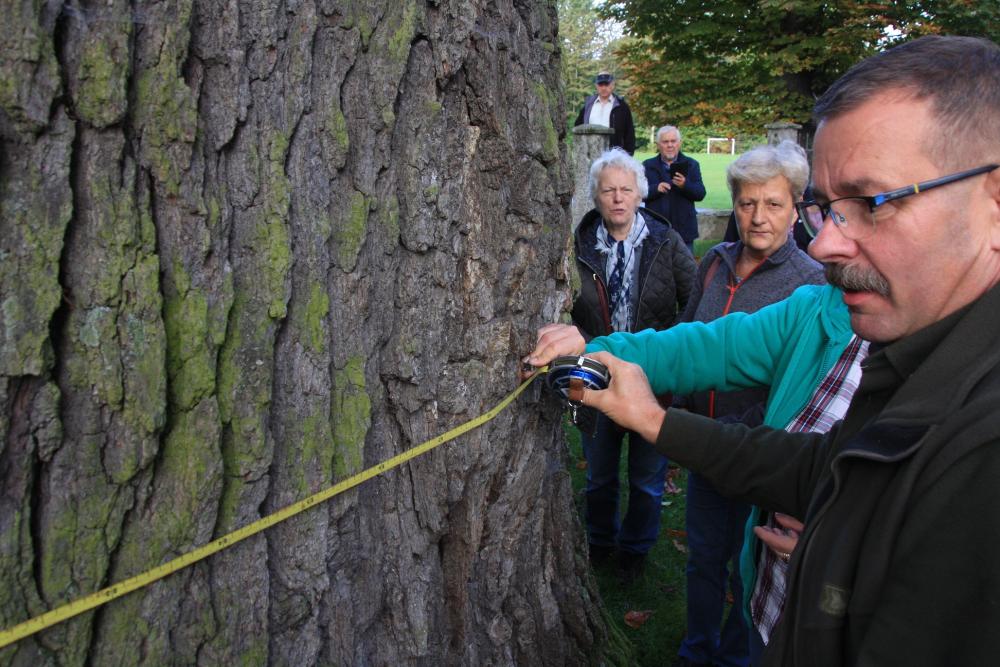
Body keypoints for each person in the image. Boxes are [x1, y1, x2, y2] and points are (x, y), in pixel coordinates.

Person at [530, 35, 1000, 665]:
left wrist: (835, 569)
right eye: (828, 209)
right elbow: (810, 460)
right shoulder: (874, 332)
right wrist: (614, 370)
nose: (828, 244)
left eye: (871, 203)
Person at [670, 141, 823, 667]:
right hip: (702, 449)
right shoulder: (714, 263)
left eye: (774, 204)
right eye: (747, 203)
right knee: (703, 561)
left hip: (760, 458)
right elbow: (686, 340)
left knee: (747, 569)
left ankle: (735, 658)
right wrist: (678, 420)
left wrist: (734, 439)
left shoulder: (809, 282)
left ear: (797, 206)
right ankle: (696, 651)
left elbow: (798, 385)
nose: (758, 217)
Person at [571, 147, 696, 580]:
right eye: (608, 190)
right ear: (596, 196)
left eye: (626, 189)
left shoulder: (666, 241)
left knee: (646, 477)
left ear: (641, 193)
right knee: (601, 475)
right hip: (597, 381)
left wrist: (669, 358)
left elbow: (693, 304)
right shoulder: (579, 246)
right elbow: (565, 311)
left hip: (652, 382)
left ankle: (636, 551)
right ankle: (600, 543)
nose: (618, 198)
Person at [643, 126, 706, 253]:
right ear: (658, 145)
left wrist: (685, 185)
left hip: (684, 231)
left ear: (679, 143)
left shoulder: (691, 164)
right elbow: (637, 194)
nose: (670, 145)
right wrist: (656, 189)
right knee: (655, 271)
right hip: (656, 231)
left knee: (685, 271)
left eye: (673, 141)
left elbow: (700, 193)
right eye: (665, 142)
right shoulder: (647, 166)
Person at [574, 72, 636, 155]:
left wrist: (628, 155)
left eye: (606, 84)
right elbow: (578, 127)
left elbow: (629, 133)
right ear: (596, 86)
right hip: (590, 154)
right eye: (600, 85)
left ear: (613, 85)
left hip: (614, 155)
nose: (603, 88)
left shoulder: (622, 107)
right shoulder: (588, 105)